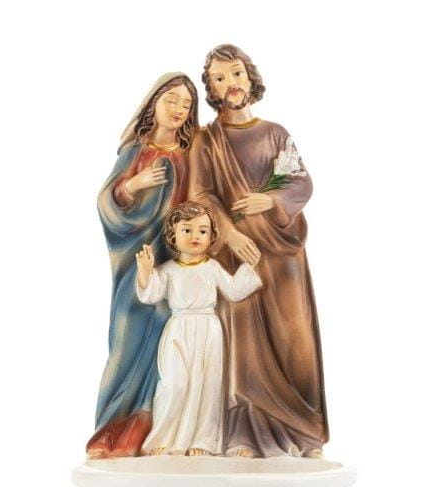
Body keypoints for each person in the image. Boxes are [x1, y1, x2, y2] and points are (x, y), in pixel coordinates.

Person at [188, 45, 328, 458]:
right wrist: (229, 235)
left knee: (295, 334)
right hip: (238, 254)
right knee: (244, 338)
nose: (230, 84)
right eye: (219, 79)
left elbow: (300, 182)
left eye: (235, 74)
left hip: (282, 252)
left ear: (249, 77)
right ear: (211, 89)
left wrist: (270, 200)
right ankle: (245, 434)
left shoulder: (275, 133)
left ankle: (305, 431)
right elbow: (200, 194)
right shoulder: (206, 141)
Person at [86, 73, 198, 459]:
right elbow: (106, 203)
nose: (179, 109)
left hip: (172, 265)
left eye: (186, 104)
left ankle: (143, 435)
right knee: (125, 343)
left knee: (163, 351)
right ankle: (108, 432)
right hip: (136, 263)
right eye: (171, 100)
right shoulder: (135, 152)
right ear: (153, 104)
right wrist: (134, 185)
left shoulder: (188, 156)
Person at [135, 202, 262, 456]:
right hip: (178, 330)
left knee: (207, 385)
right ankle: (165, 437)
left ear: (211, 236)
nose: (195, 236)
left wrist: (250, 266)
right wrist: (146, 272)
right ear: (173, 235)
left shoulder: (212, 267)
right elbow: (151, 295)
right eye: (187, 229)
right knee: (174, 384)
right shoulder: (168, 270)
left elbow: (234, 291)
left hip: (208, 330)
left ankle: (202, 442)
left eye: (203, 231)